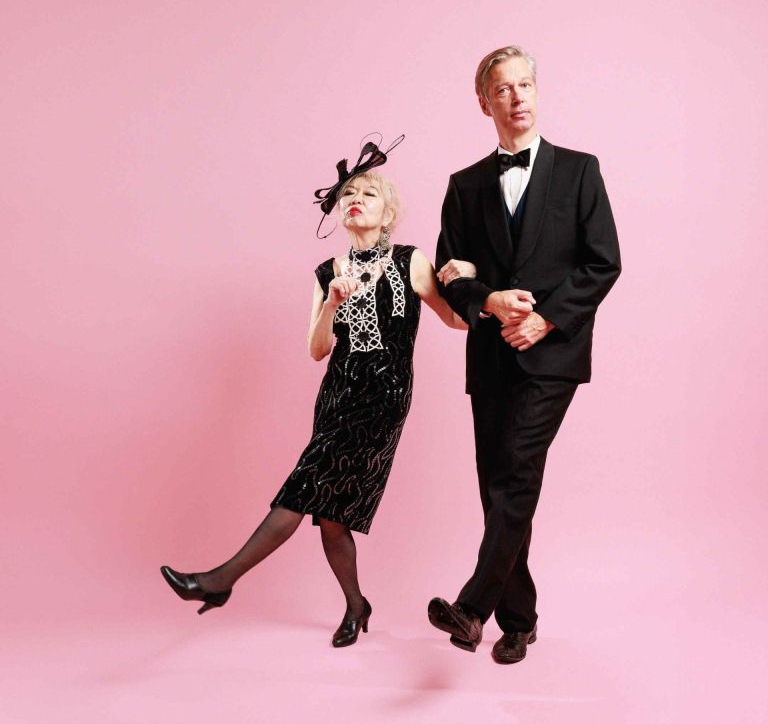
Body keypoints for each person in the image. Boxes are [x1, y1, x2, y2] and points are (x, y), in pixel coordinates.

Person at [161, 138, 475, 647]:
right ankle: (356, 605)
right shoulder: (328, 272)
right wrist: (330, 303)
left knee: (303, 489)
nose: (355, 199)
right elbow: (316, 349)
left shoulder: (410, 260)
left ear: (388, 213)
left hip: (383, 400)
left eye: (368, 194)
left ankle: (220, 581)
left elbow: (457, 320)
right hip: (336, 397)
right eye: (347, 194)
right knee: (330, 514)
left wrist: (474, 277)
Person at [428, 46, 621, 664]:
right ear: (483, 102)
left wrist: (544, 319)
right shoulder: (465, 185)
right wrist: (487, 300)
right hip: (489, 358)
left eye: (525, 85)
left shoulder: (580, 171)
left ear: (538, 91)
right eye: (503, 89)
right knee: (497, 487)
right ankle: (520, 620)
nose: (517, 97)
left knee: (515, 472)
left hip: (551, 355)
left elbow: (603, 262)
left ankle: (472, 608)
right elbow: (450, 273)